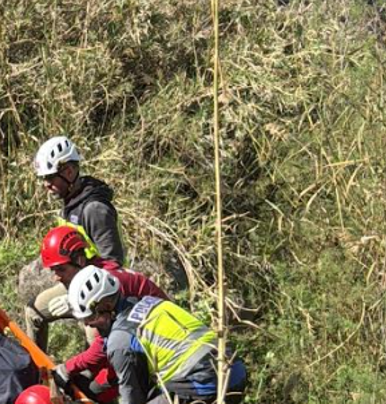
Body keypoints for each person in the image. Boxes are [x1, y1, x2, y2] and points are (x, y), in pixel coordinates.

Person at [66, 266, 247, 404]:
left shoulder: (120, 340)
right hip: (233, 369)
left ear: (105, 306)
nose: (87, 323)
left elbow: (133, 398)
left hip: (204, 381)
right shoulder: (151, 303)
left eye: (90, 317)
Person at [41, 226, 168, 402]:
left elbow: (104, 347)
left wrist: (68, 368)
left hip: (153, 347)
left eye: (61, 270)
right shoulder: (97, 277)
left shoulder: (108, 286)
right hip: (135, 338)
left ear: (79, 260)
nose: (56, 277)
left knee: (95, 391)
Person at [27, 136, 125, 351]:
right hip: (75, 280)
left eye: (51, 178)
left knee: (96, 340)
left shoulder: (95, 210)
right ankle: (36, 371)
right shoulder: (71, 202)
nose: (46, 185)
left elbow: (114, 264)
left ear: (69, 172)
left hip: (97, 291)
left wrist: (76, 301)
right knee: (34, 311)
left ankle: (100, 382)